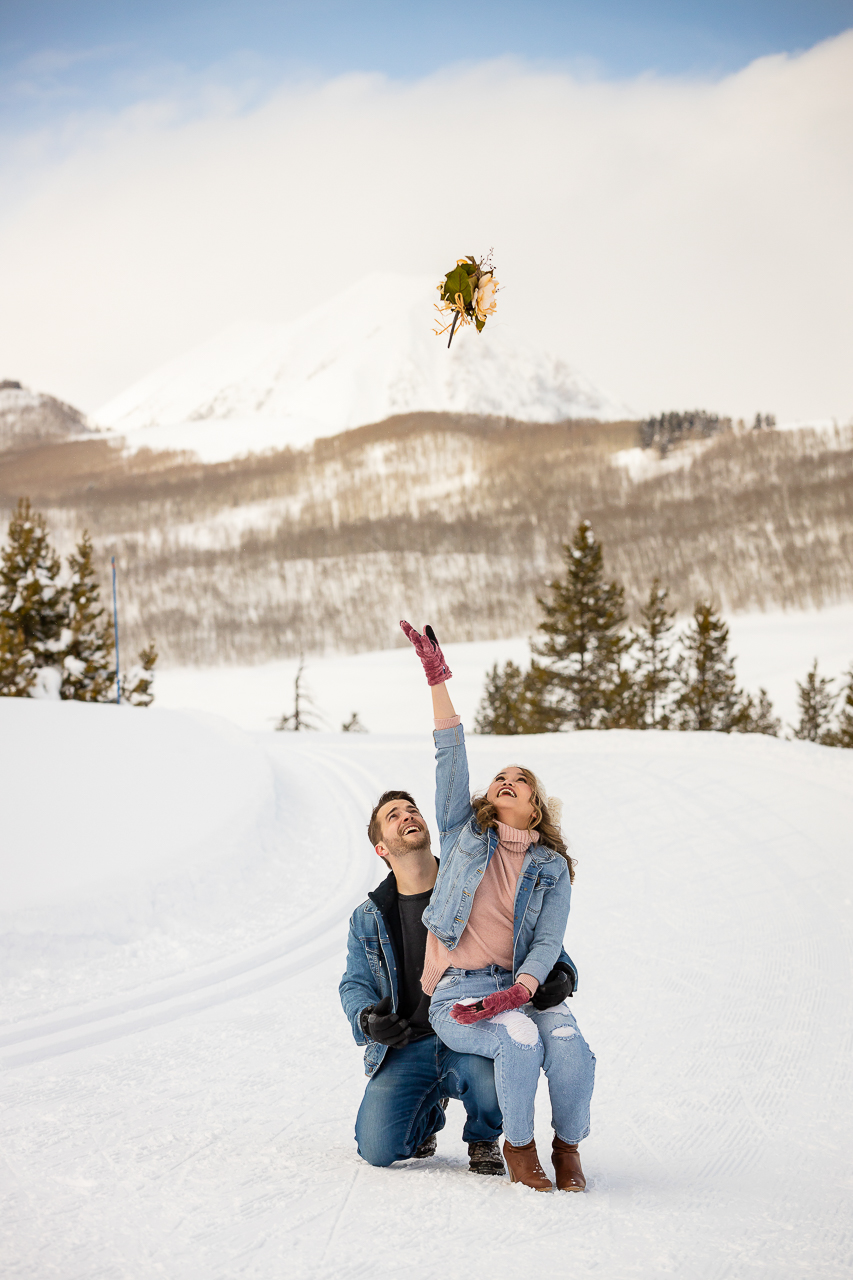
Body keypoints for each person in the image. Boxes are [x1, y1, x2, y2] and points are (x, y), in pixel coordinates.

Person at [400, 620, 596, 1192]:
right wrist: (438, 679)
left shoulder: (552, 869)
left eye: (520, 780)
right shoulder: (464, 832)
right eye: (500, 778)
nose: (506, 781)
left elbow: (547, 941)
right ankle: (519, 1148)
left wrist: (522, 988)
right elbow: (451, 754)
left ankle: (568, 1147)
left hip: (519, 985)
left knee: (568, 1047)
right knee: (519, 1041)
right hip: (460, 993)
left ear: (535, 808)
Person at [339, 787, 576, 1173]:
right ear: (382, 848)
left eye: (411, 810)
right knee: (378, 1150)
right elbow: (354, 983)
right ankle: (427, 1114)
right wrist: (367, 1019)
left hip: (472, 1030)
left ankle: (483, 1136)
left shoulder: (475, 884)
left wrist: (564, 973)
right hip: (408, 1044)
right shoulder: (368, 917)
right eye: (393, 816)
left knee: (500, 1072)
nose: (407, 816)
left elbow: (536, 936)